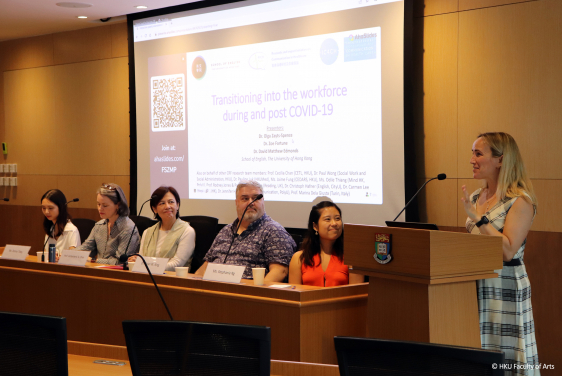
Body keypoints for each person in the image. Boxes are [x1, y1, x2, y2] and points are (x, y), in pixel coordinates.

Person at [461, 132, 539, 372]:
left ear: (501, 160)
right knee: (478, 352)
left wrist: (478, 218)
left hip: (505, 285)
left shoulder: (520, 201)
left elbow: (507, 250)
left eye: (478, 153)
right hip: (476, 284)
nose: (472, 159)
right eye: (472, 153)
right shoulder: (475, 196)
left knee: (505, 355)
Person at [195, 180, 295, 282]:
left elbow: (280, 271)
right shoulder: (225, 231)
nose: (250, 203)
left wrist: (256, 292)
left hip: (248, 294)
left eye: (256, 198)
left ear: (263, 201)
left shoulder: (274, 231)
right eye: (245, 198)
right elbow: (205, 267)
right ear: (236, 202)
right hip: (213, 291)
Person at [288, 201, 364, 286]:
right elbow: (294, 296)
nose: (334, 223)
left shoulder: (352, 258)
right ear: (315, 226)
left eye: (337, 218)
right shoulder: (299, 258)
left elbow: (357, 295)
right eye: (328, 219)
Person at [129, 186, 195, 271]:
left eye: (171, 202)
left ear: (177, 205)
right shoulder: (148, 232)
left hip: (173, 280)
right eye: (162, 203)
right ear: (154, 209)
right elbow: (142, 260)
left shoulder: (187, 231)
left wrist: (147, 266)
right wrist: (137, 261)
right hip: (147, 278)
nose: (167, 206)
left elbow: (177, 264)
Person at [77, 183, 140, 265]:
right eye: (98, 204)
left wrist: (93, 260)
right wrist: (64, 255)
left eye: (105, 205)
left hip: (118, 275)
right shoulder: (99, 225)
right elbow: (85, 248)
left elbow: (120, 261)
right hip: (98, 272)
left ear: (118, 205)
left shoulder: (128, 228)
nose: (100, 208)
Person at [41, 189, 81, 257]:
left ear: (61, 208)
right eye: (43, 208)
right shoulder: (50, 229)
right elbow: (45, 254)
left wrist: (61, 258)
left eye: (50, 208)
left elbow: (74, 258)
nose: (46, 212)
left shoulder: (71, 230)